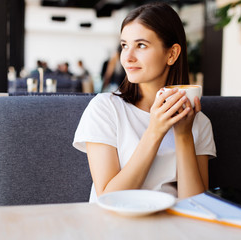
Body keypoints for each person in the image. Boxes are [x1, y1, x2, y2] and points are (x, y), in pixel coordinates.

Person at [73, 2, 216, 202]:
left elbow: (196, 205)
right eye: (124, 46)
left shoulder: (197, 122)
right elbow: (107, 198)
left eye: (141, 45)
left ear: (172, 54)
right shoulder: (105, 108)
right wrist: (155, 131)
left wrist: (183, 136)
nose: (128, 57)